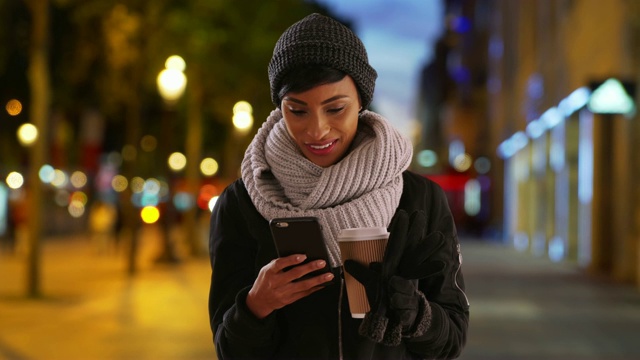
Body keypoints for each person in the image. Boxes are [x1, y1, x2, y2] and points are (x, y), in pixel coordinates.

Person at [208, 13, 469, 359]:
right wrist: (256, 305)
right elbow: (229, 350)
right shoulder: (241, 203)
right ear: (279, 107)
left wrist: (417, 314)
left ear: (361, 101)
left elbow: (451, 341)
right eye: (297, 111)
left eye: (335, 109)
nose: (317, 130)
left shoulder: (419, 199)